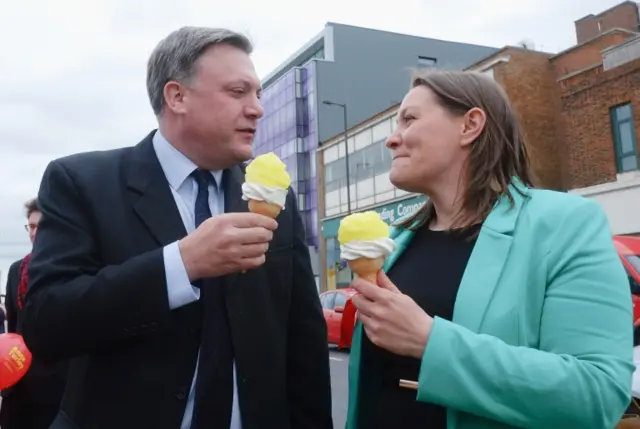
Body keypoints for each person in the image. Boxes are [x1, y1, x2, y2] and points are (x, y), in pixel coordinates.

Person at [22, 27, 332, 429]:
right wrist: (179, 265)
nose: (257, 108)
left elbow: (303, 346)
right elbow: (47, 324)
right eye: (238, 93)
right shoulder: (82, 182)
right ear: (177, 96)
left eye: (257, 94)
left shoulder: (276, 198)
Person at [345, 70, 634, 429]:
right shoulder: (396, 239)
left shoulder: (564, 224)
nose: (392, 139)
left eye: (410, 119)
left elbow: (596, 394)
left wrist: (430, 341)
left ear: (470, 125)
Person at [0, 198, 68, 429]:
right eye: (31, 226)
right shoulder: (16, 270)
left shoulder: (72, 269)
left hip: (60, 385)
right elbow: (14, 329)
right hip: (21, 383)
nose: (34, 232)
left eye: (41, 226)